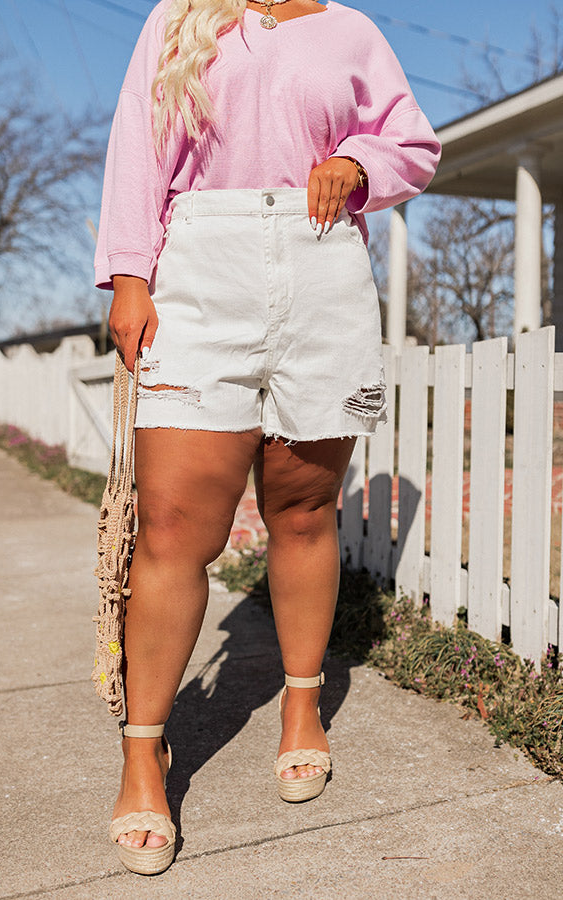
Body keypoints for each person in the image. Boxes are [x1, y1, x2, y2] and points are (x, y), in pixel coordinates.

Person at [95, 0, 440, 876]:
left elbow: (413, 142)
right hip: (199, 264)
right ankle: (145, 752)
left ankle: (300, 706)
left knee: (303, 511)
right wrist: (130, 276)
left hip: (320, 262)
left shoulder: (352, 30)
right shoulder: (181, 18)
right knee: (174, 529)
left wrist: (357, 163)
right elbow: (139, 143)